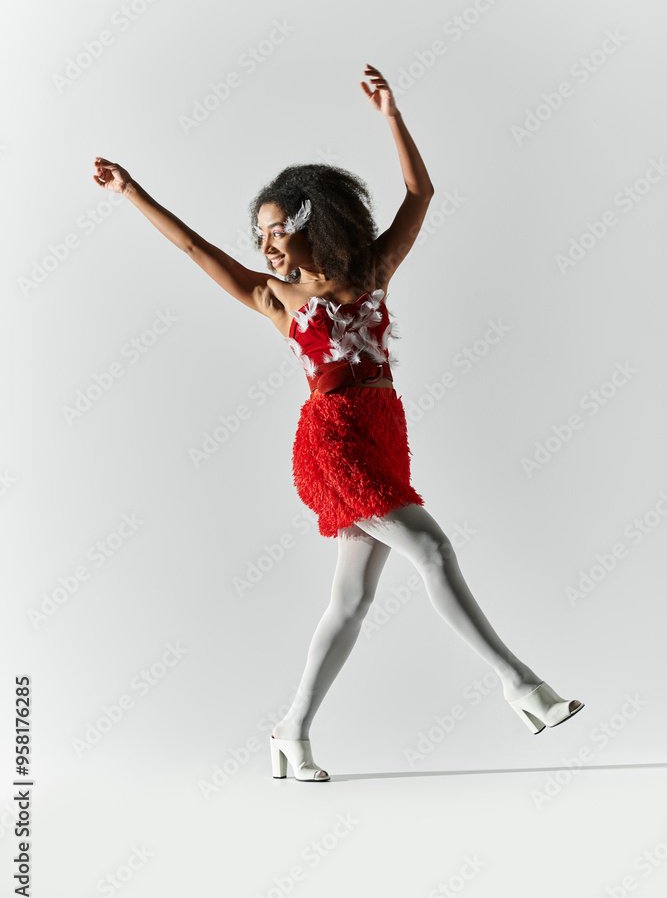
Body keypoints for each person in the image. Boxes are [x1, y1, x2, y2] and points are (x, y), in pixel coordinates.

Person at [93, 63, 584, 783]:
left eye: (274, 228)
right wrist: (131, 191)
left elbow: (420, 193)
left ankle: (290, 733)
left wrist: (391, 115)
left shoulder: (373, 271)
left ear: (307, 222)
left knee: (350, 603)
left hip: (383, 427)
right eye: (258, 231)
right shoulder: (273, 297)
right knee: (434, 552)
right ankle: (522, 687)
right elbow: (196, 250)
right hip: (334, 440)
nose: (264, 242)